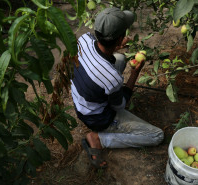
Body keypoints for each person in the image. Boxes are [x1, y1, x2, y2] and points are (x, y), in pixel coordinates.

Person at [70, 7, 164, 169]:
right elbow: (120, 105)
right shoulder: (111, 78)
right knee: (156, 136)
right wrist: (135, 73)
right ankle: (99, 138)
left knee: (119, 59)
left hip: (81, 101)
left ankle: (101, 106)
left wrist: (115, 47)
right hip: (96, 117)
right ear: (120, 38)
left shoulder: (83, 39)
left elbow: (99, 57)